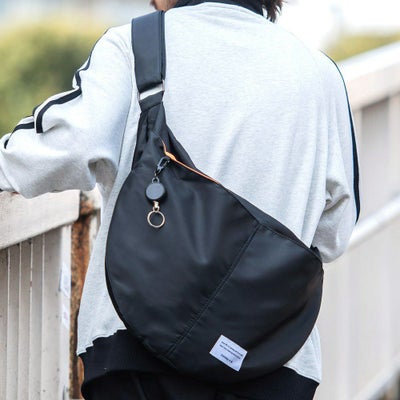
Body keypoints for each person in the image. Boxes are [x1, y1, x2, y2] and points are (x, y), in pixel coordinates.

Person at [0, 0, 360, 398]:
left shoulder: (137, 46)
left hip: (138, 353)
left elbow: (67, 148)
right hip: (270, 360)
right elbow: (333, 234)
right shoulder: (320, 74)